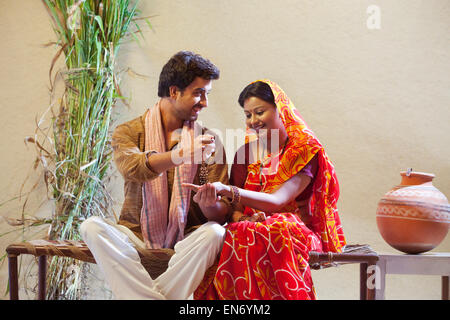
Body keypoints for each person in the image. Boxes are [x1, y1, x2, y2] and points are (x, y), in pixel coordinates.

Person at [80, 51, 231, 300]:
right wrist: (181, 155)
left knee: (215, 232)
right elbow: (133, 167)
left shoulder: (209, 141)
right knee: (91, 228)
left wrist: (210, 204)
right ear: (174, 92)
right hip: (135, 237)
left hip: (187, 240)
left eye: (207, 94)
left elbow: (221, 211)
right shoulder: (129, 132)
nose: (205, 102)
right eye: (198, 92)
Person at [185, 79, 346, 300]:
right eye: (248, 115)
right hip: (252, 229)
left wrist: (229, 189)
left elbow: (278, 201)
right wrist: (235, 213)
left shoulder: (304, 150)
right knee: (239, 232)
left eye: (259, 112)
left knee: (275, 227)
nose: (253, 121)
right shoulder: (245, 153)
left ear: (281, 109)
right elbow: (235, 211)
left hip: (295, 232)